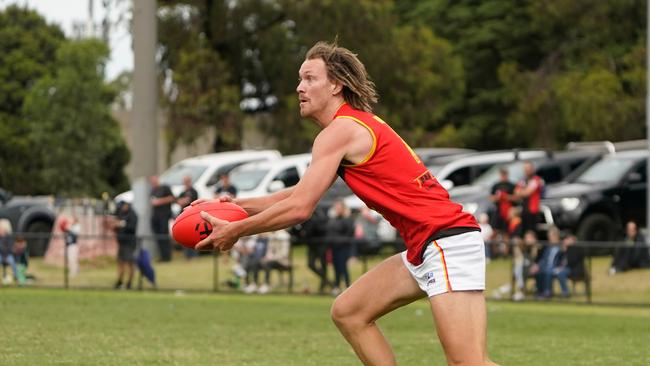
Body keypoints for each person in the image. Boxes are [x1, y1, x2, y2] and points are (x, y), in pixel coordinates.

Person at [194, 41, 498, 365]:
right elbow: (298, 193)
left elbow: (300, 208)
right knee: (350, 312)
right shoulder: (349, 127)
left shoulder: (340, 131)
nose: (299, 87)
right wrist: (231, 205)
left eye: (310, 78)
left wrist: (237, 230)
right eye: (300, 79)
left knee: (467, 363)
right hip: (427, 245)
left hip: (445, 241)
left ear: (336, 85)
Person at [327, 200, 355, 295]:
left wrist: (340, 241)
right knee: (336, 267)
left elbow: (349, 234)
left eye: (339, 207)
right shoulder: (333, 219)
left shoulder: (347, 219)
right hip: (334, 247)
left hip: (343, 247)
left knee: (343, 267)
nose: (337, 209)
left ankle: (347, 286)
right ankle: (336, 286)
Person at [111, 201, 139, 289]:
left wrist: (121, 224)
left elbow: (132, 227)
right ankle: (119, 281)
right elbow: (115, 227)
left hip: (129, 243)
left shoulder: (133, 214)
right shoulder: (121, 213)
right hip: (121, 243)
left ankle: (129, 283)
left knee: (130, 263)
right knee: (120, 262)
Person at [150, 175, 175, 262]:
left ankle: (167, 257)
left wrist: (159, 201)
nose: (153, 183)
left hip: (164, 216)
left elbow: (172, 198)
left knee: (164, 236)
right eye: (152, 182)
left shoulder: (165, 188)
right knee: (158, 237)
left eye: (155, 181)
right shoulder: (153, 190)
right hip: (155, 216)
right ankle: (162, 257)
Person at [258, 229, 292, 294]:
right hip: (273, 260)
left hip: (283, 262)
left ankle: (267, 284)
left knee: (268, 264)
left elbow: (284, 254)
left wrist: (272, 258)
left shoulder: (284, 236)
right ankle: (253, 284)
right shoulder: (272, 236)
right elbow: (270, 250)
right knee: (257, 262)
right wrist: (267, 257)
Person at [514, 162, 544, 235]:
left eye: (529, 169)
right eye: (526, 169)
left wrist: (522, 192)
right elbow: (516, 192)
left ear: (532, 169)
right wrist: (523, 192)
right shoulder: (523, 180)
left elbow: (527, 193)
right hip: (524, 209)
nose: (527, 171)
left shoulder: (536, 179)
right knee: (524, 231)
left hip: (533, 211)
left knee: (532, 232)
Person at [489, 167, 515, 248]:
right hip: (498, 211)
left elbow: (516, 197)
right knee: (494, 232)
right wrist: (498, 197)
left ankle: (506, 253)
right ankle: (493, 252)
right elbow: (491, 198)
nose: (503, 176)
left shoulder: (511, 185)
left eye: (505, 174)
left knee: (506, 233)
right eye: (502, 175)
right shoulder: (496, 185)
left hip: (508, 212)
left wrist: (506, 197)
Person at [177, 175, 199, 259]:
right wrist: (184, 200)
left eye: (187, 181)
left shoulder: (194, 191)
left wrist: (184, 200)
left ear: (190, 181)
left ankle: (194, 255)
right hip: (183, 217)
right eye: (184, 181)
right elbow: (179, 202)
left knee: (193, 235)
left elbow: (190, 201)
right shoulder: (182, 193)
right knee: (184, 235)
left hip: (192, 217)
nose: (185, 183)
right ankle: (187, 255)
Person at [0, 219, 18, 285]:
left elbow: (10, 248)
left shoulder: (9, 237)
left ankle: (16, 277)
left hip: (7, 255)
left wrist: (5, 254)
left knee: (12, 262)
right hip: (0, 255)